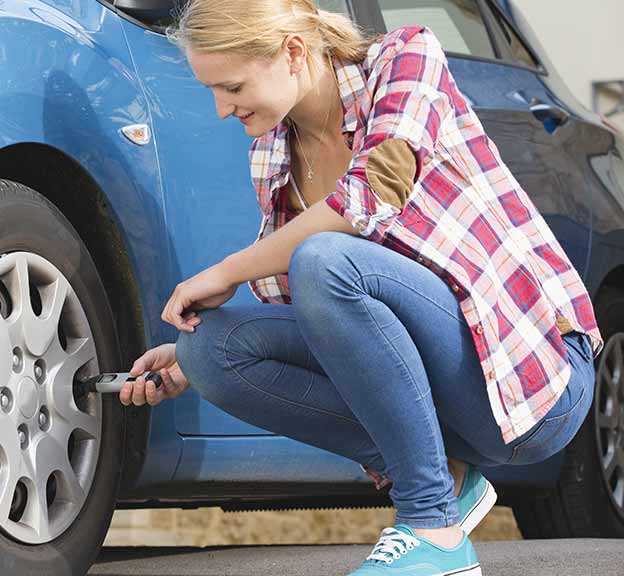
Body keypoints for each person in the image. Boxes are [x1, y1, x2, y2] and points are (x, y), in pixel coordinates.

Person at [120, 1, 604, 574]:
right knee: (211, 349)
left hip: (533, 381)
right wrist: (189, 363)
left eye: (231, 86)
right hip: (444, 392)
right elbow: (338, 323)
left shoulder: (404, 58)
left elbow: (375, 193)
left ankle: (434, 530)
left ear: (293, 52)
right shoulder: (272, 154)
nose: (222, 109)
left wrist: (228, 270)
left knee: (326, 260)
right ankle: (445, 478)